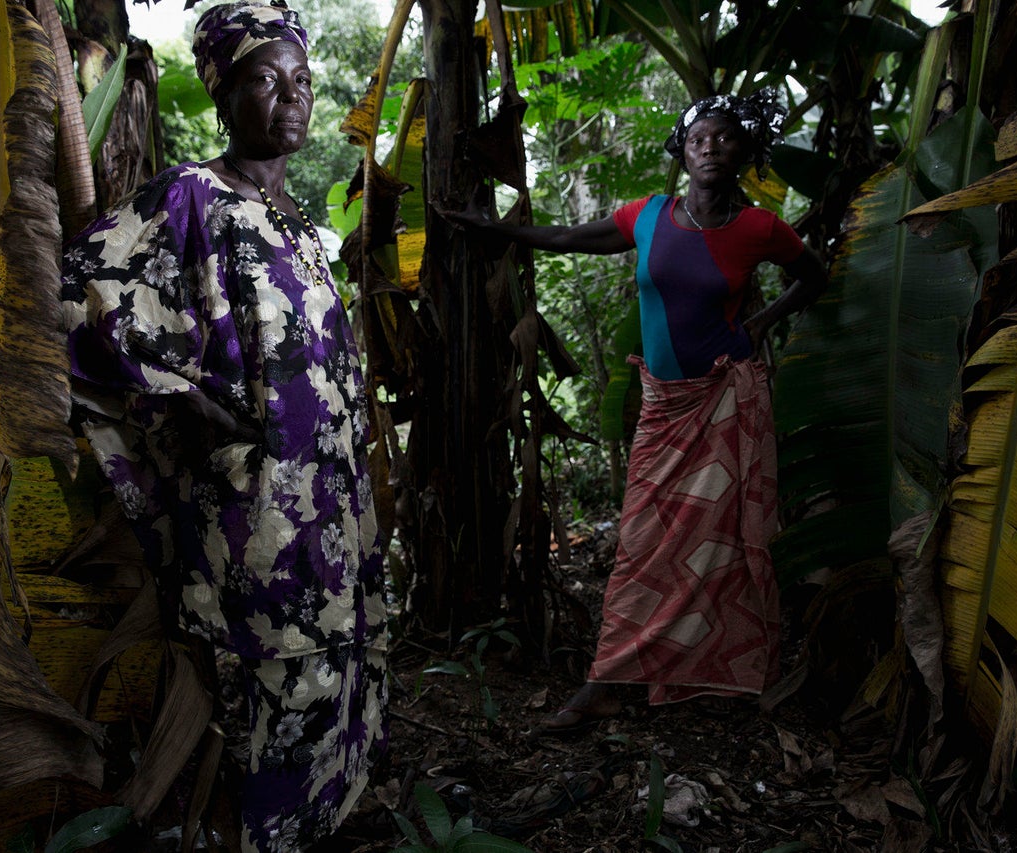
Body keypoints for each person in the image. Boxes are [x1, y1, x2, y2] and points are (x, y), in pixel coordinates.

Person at [59, 2, 387, 848]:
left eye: (301, 80)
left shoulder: (305, 228)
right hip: (258, 519)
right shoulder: (191, 198)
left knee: (338, 685)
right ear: (222, 93)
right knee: (267, 704)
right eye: (264, 79)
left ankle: (325, 825)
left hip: (334, 519)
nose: (290, 96)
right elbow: (78, 293)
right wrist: (169, 397)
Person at [450, 90, 827, 733]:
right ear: (681, 151)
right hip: (664, 408)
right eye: (700, 137)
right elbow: (569, 235)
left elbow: (814, 276)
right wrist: (495, 229)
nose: (712, 145)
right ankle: (620, 674)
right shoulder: (647, 216)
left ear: (744, 153)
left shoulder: (761, 228)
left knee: (723, 542)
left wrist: (762, 321)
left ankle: (698, 672)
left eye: (726, 138)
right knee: (644, 546)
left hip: (722, 401)